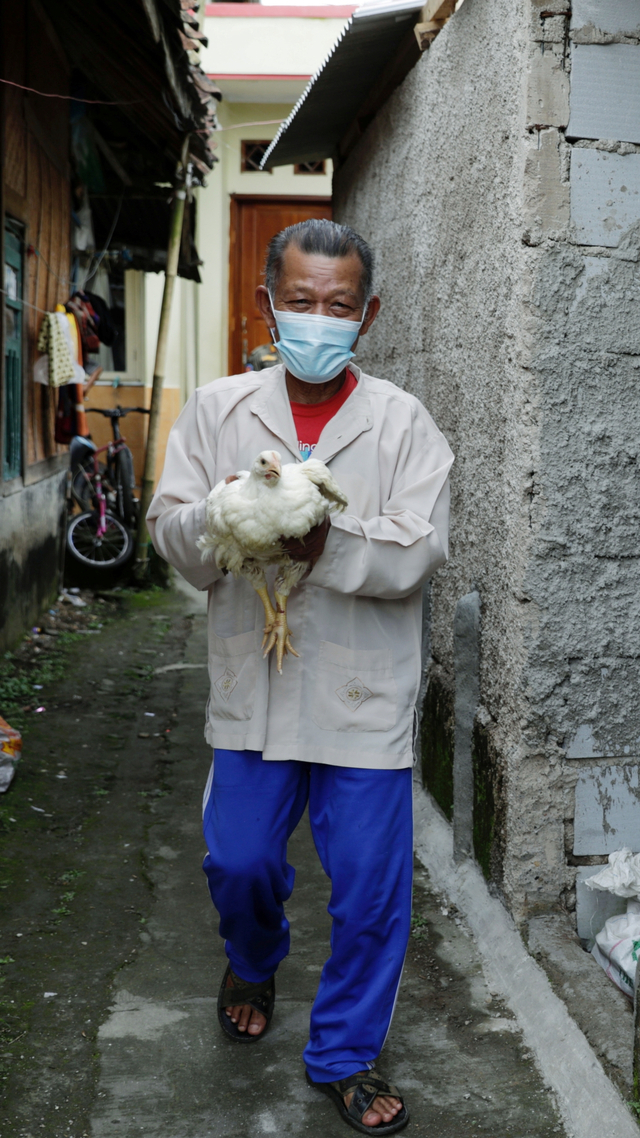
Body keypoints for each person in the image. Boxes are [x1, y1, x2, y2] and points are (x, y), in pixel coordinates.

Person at [147, 219, 453, 1134]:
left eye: (339, 306)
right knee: (238, 862)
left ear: (368, 315)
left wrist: (327, 540)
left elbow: (417, 554)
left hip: (364, 696)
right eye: (302, 302)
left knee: (368, 891)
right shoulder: (216, 409)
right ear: (268, 304)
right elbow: (170, 530)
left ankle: (347, 1054)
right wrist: (229, 518)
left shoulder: (402, 424)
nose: (318, 319)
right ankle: (254, 954)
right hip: (254, 689)